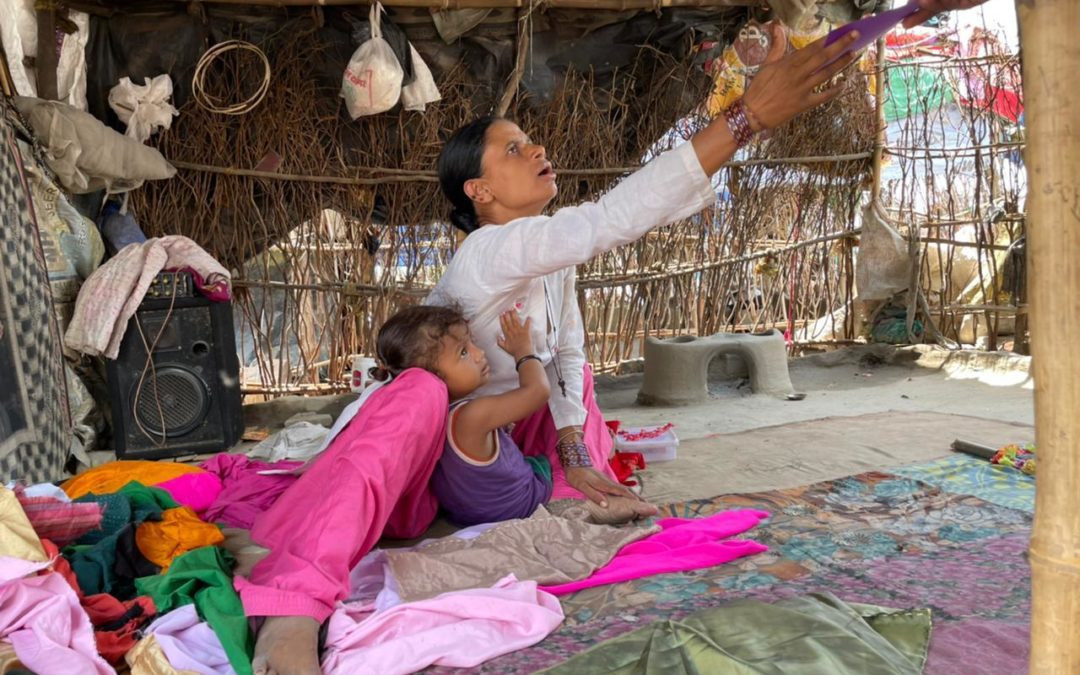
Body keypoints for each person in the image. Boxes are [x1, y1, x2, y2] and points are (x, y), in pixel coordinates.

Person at [247, 3, 988, 671]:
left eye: (532, 141)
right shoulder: (489, 252)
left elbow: (566, 351)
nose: (536, 152)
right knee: (415, 396)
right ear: (477, 191)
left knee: (578, 392)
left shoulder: (548, 256)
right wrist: (744, 119)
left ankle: (571, 475)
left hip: (502, 434)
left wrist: (574, 456)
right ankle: (289, 605)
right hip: (429, 448)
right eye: (512, 150)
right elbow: (607, 221)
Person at [375, 303, 556, 526]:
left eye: (472, 343)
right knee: (549, 455)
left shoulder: (428, 417)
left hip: (464, 514)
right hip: (518, 505)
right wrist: (524, 351)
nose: (479, 354)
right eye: (463, 352)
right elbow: (538, 391)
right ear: (431, 376)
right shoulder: (471, 416)